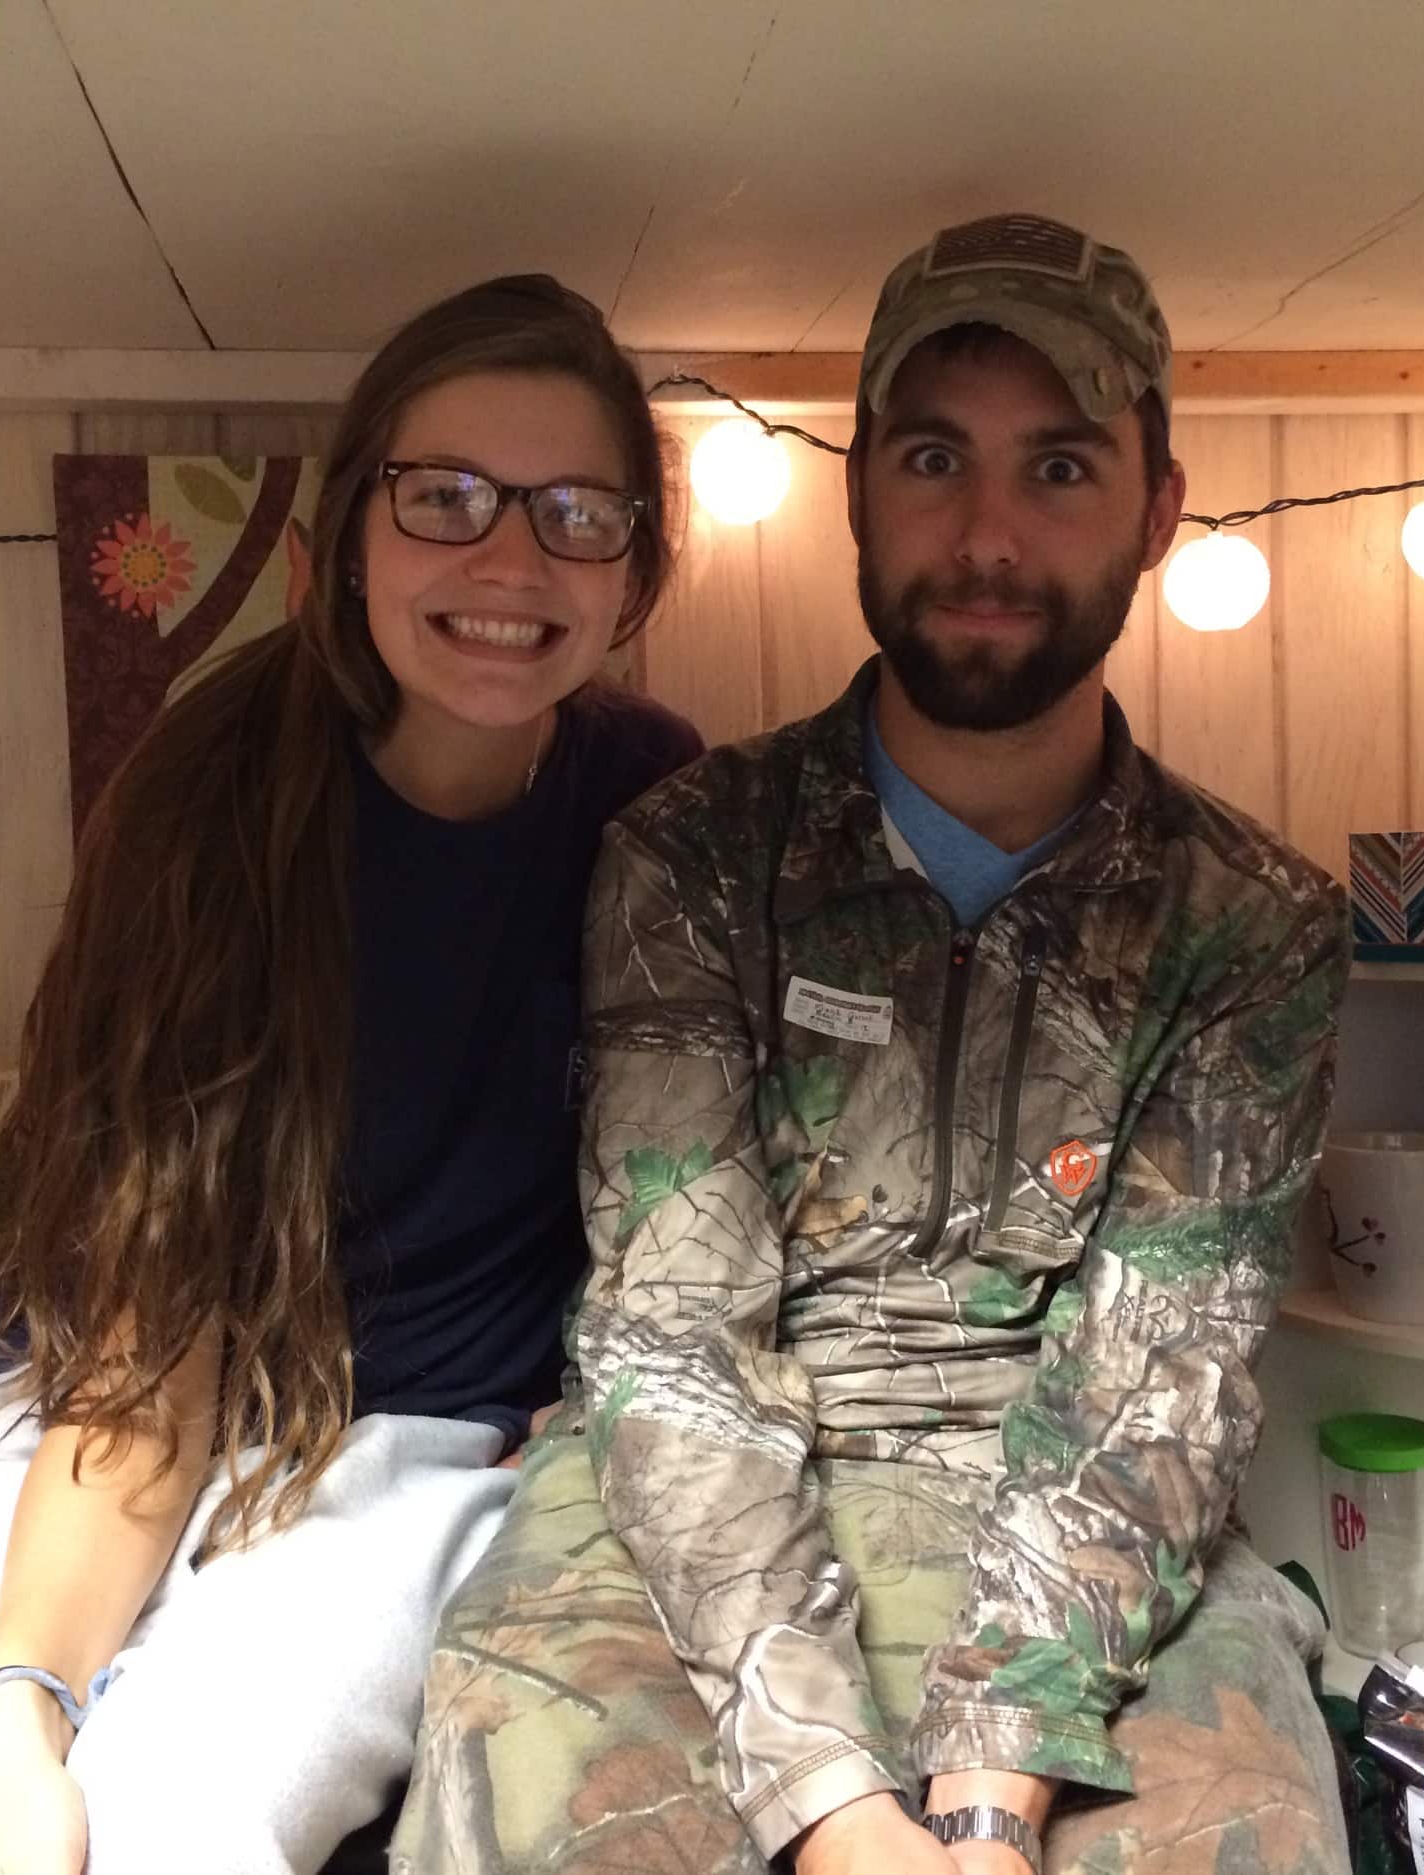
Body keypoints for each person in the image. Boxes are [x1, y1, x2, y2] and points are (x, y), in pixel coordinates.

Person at [391, 215, 1353, 1875]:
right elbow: (678, 1331)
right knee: (548, 1811)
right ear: (857, 492)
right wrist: (835, 1808)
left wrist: (988, 1805)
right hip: (690, 1503)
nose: (986, 533)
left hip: (1081, 1524)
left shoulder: (1250, 920)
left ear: (1158, 510)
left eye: (1059, 467)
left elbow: (1152, 1384)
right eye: (932, 457)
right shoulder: (694, 855)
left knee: (1245, 1836)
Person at [0, 273, 700, 1875]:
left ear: (635, 571)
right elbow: (146, 1340)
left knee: (186, 1820)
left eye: (576, 511)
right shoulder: (215, 796)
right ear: (348, 538)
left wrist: (609, 1399)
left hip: (414, 1444)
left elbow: (699, 1182)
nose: (509, 559)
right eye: (445, 496)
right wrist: (16, 1713)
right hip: (96, 1402)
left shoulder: (657, 803)